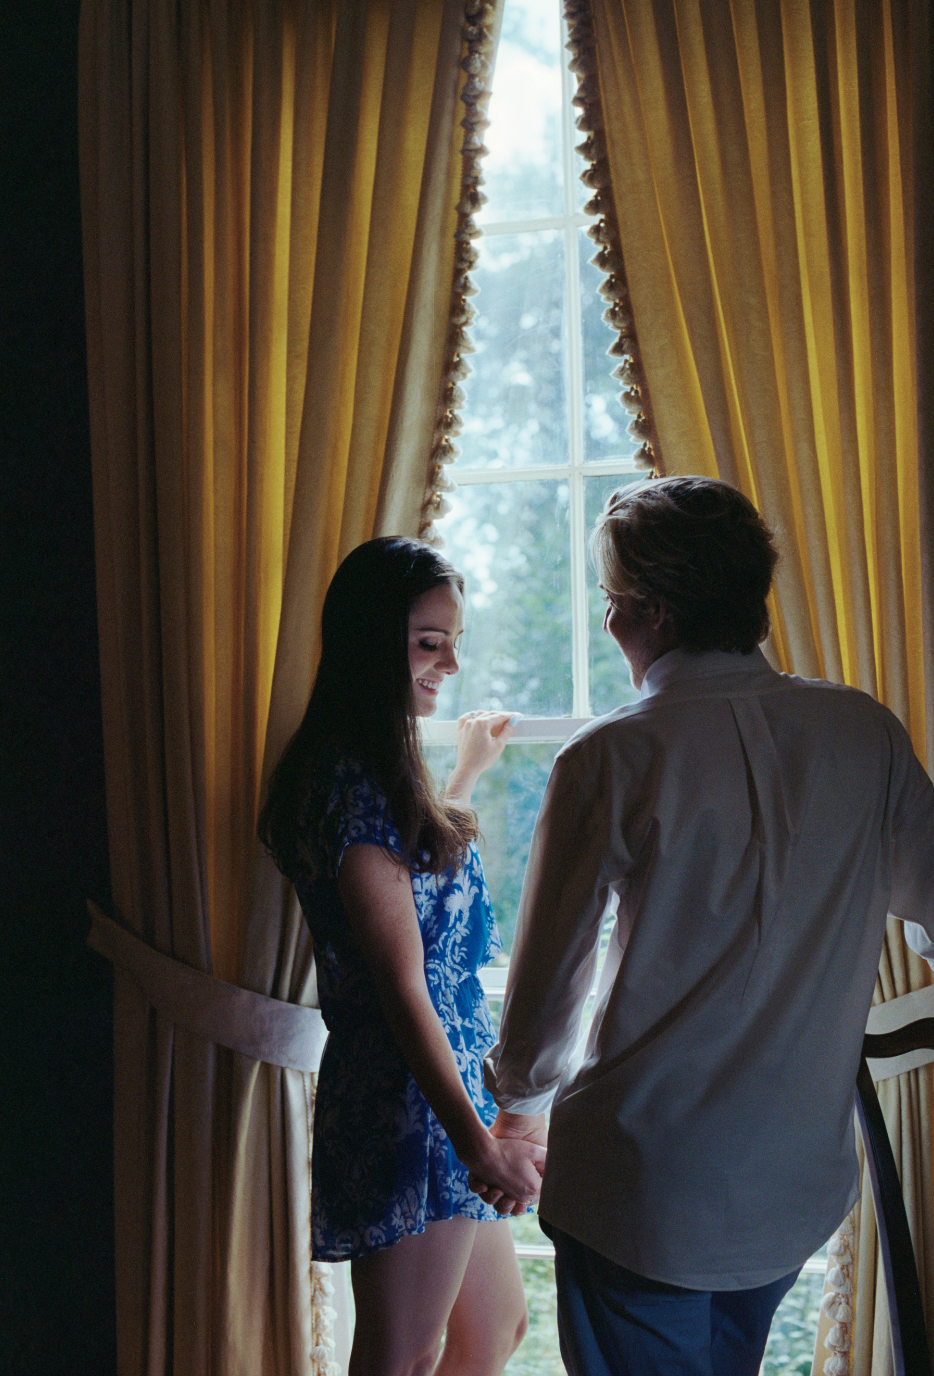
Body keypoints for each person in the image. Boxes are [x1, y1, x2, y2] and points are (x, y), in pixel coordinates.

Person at [479, 477, 934, 1376]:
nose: (608, 626)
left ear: (648, 609)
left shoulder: (613, 753)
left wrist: (519, 1116)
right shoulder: (862, 732)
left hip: (642, 1182)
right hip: (791, 1181)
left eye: (612, 603)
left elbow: (550, 983)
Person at [259, 536, 544, 1376]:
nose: (451, 662)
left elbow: (408, 891)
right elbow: (399, 985)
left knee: (494, 1332)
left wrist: (460, 780)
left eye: (453, 641)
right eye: (430, 642)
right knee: (403, 1356)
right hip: (410, 1104)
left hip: (441, 1092)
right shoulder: (347, 783)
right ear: (371, 642)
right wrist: (478, 1144)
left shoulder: (377, 775)